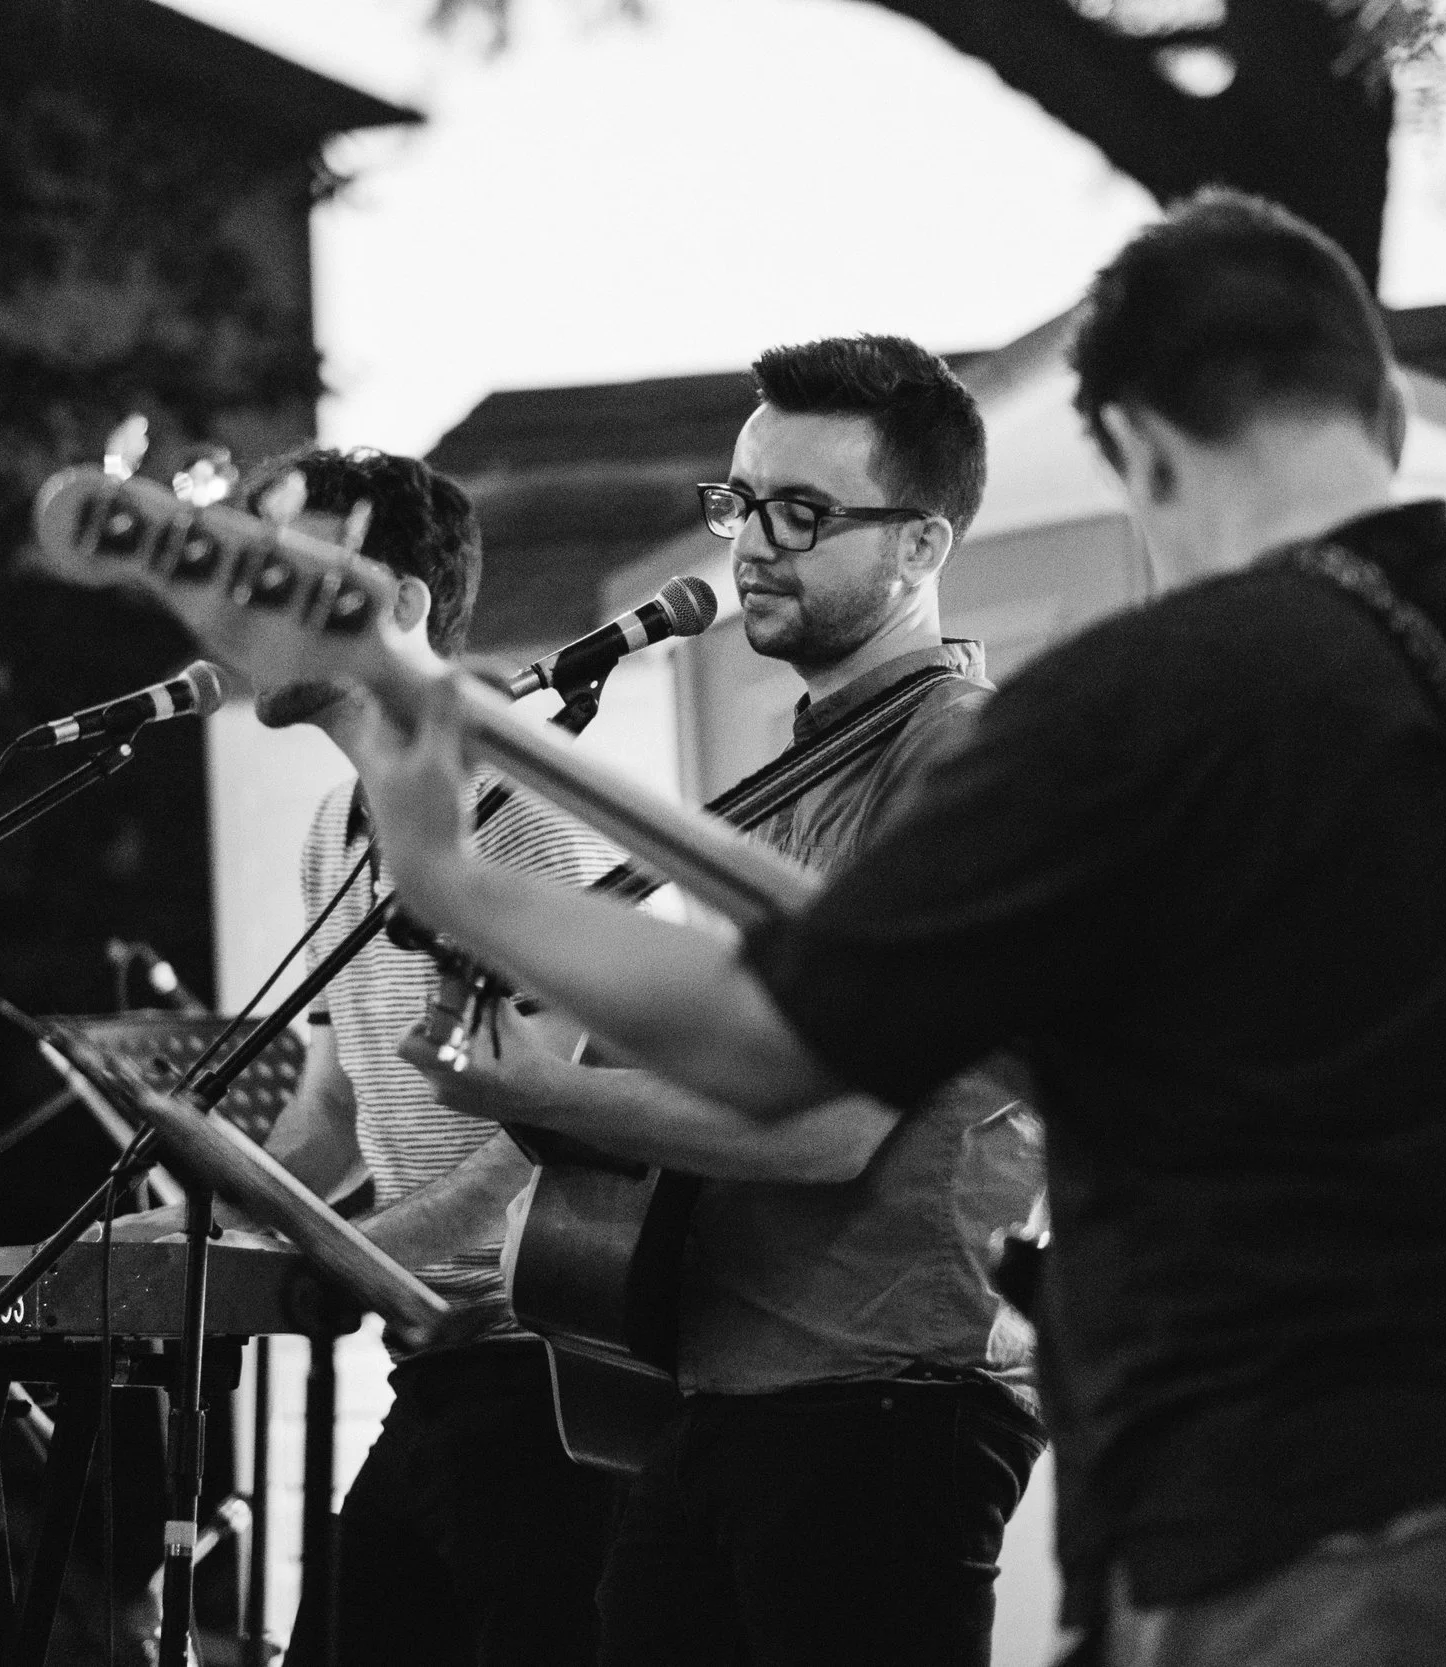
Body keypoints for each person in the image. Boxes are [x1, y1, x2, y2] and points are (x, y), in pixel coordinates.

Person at [333, 192, 1446, 1667]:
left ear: (1137, 442)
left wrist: (454, 875)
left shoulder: (1143, 704)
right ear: (1376, 408)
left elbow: (785, 1040)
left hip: (1313, 1509)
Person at [395, 336, 1047, 1666]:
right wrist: (544, 1065)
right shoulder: (802, 766)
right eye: (740, 500)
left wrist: (536, 1084)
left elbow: (826, 1126)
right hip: (725, 1378)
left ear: (922, 546)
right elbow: (735, 1068)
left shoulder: (954, 754)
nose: (751, 539)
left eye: (802, 512)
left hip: (880, 1394)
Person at [177, 447, 621, 1666]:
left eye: (293, 572)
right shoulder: (337, 830)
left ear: (404, 605)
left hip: (551, 1387)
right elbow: (333, 1102)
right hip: (436, 1376)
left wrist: (345, 1262)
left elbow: (537, 1140)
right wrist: (199, 1227)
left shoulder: (524, 823)